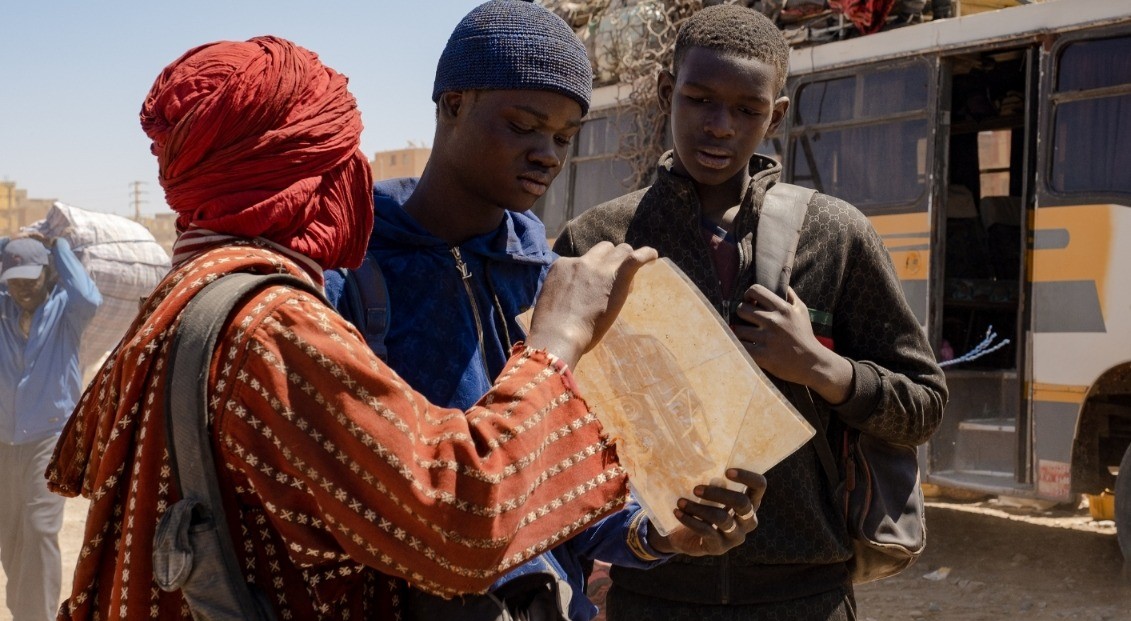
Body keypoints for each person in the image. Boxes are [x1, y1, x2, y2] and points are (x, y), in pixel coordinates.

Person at [43, 35, 760, 621]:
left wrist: (647, 530)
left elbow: (565, 471)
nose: (545, 152)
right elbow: (458, 517)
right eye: (336, 156)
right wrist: (554, 347)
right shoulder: (283, 317)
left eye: (564, 136)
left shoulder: (192, 296)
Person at [325, 2, 766, 619]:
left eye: (563, 136)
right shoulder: (351, 269)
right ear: (453, 104)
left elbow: (573, 488)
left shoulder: (551, 276)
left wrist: (661, 532)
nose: (548, 154)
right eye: (524, 125)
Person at [553, 5, 948, 619]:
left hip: (805, 593)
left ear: (777, 115)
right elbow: (557, 425)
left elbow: (923, 406)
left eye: (747, 109)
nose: (719, 127)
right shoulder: (600, 241)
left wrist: (822, 368)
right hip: (653, 595)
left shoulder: (835, 235)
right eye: (700, 100)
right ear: (667, 94)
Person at [0, 232, 101, 621]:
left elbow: (89, 295)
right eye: (14, 279)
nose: (23, 288)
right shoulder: (4, 312)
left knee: (40, 528)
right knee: (10, 536)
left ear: (48, 274)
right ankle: (23, 610)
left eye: (31, 277)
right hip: (4, 444)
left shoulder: (66, 311)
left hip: (48, 438)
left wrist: (56, 246)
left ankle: (38, 616)